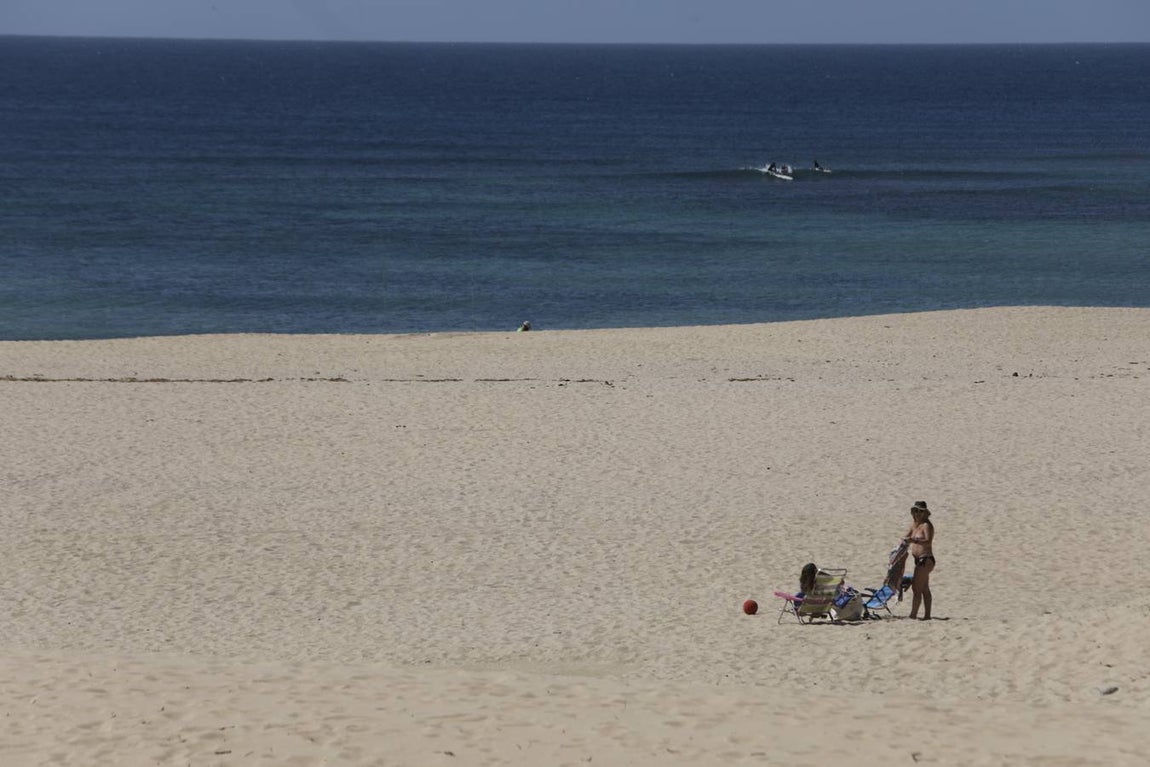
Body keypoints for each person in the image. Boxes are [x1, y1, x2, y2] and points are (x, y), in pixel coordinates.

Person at [902, 501, 935, 620]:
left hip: (926, 559)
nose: (918, 513)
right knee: (924, 588)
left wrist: (914, 540)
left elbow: (928, 541)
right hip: (918, 560)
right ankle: (927, 616)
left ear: (925, 512)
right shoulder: (915, 525)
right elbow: (906, 537)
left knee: (916, 588)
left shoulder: (927, 525)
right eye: (916, 511)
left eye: (921, 511)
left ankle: (913, 615)